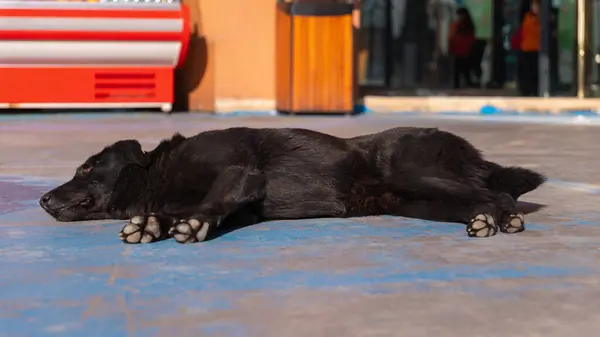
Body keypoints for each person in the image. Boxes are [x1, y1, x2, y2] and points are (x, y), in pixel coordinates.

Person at [517, 0, 541, 96]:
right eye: (533, 5)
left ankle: (534, 90)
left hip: (537, 50)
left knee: (535, 73)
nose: (535, 7)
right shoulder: (527, 17)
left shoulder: (543, 18)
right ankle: (526, 90)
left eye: (536, 5)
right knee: (526, 73)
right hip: (527, 49)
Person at [449, 7, 476, 89]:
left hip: (461, 49)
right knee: (463, 67)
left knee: (459, 67)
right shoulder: (467, 25)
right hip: (463, 49)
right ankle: (465, 83)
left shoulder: (459, 25)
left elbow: (453, 37)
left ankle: (460, 84)